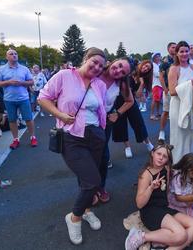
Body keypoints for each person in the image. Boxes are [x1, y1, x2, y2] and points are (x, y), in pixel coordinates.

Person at [38, 47, 107, 245]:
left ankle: (86, 210)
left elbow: (101, 108)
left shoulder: (99, 84)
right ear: (85, 58)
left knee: (86, 179)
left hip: (95, 135)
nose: (96, 67)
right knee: (93, 180)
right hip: (72, 136)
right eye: (94, 62)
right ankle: (74, 217)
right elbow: (43, 97)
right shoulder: (64, 76)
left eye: (101, 66)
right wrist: (59, 115)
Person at [125, 142, 193, 250]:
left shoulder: (167, 169)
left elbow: (177, 177)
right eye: (158, 154)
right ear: (152, 153)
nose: (161, 158)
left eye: (164, 156)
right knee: (181, 235)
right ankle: (141, 236)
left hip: (164, 207)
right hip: (150, 211)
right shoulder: (146, 175)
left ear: (167, 160)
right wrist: (150, 188)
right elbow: (139, 204)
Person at [97, 58, 134, 202]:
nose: (118, 71)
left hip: (105, 122)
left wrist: (117, 113)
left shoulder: (121, 84)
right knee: (87, 156)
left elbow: (130, 101)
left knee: (103, 155)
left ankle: (101, 187)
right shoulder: (96, 73)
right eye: (118, 65)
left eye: (123, 72)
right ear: (114, 61)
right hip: (86, 120)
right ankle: (88, 190)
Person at [168, 41, 193, 164]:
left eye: (186, 51)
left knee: (190, 135)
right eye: (181, 51)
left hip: (191, 106)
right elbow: (172, 91)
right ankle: (177, 165)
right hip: (178, 106)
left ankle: (188, 165)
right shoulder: (174, 69)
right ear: (176, 53)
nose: (184, 54)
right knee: (178, 136)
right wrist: (189, 85)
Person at [0, 49, 38, 149]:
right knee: (12, 120)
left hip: (23, 98)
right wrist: (9, 82)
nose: (14, 55)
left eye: (15, 54)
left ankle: (33, 137)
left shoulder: (24, 69)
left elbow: (31, 82)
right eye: (11, 54)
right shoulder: (1, 69)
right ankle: (15, 139)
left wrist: (22, 83)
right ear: (7, 57)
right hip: (9, 99)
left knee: (28, 118)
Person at [112, 60, 154, 158]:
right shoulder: (130, 72)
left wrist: (142, 84)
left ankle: (147, 142)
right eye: (145, 66)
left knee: (138, 122)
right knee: (121, 124)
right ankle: (127, 147)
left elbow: (138, 95)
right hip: (118, 100)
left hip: (131, 102)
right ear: (142, 64)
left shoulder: (143, 79)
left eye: (148, 68)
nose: (145, 68)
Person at [158, 42, 176, 141]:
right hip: (168, 90)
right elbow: (161, 76)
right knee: (166, 111)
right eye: (173, 47)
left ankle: (175, 131)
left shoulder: (179, 60)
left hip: (178, 90)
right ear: (168, 49)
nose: (175, 49)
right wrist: (165, 89)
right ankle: (162, 131)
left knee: (177, 112)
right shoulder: (165, 62)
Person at [150, 52, 163, 120]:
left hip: (160, 85)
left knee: (158, 100)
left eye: (159, 56)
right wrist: (163, 73)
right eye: (157, 56)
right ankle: (152, 115)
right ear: (154, 58)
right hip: (156, 85)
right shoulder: (153, 65)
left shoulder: (159, 65)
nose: (159, 57)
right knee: (155, 100)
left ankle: (157, 113)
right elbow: (157, 74)